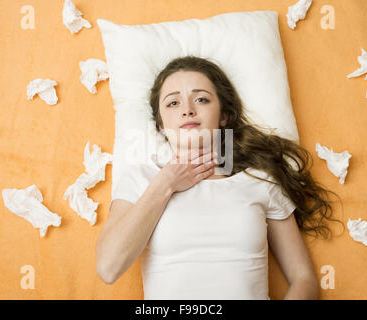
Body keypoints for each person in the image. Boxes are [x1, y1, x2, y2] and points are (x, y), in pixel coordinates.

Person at [96, 55, 344, 300]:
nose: (188, 110)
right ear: (160, 125)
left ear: (223, 116)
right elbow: (108, 268)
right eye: (173, 103)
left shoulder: (259, 182)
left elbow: (304, 279)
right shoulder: (141, 178)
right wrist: (166, 182)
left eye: (201, 99)